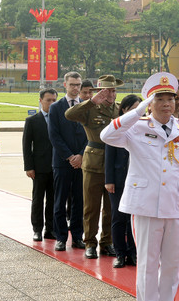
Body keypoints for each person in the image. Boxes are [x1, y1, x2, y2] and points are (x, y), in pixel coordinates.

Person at [100, 72, 179, 301]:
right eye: (160, 99)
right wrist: (139, 110)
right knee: (146, 264)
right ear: (150, 102)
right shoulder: (136, 127)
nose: (167, 104)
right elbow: (107, 134)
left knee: (170, 265)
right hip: (145, 204)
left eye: (171, 99)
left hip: (176, 204)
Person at [65, 75, 122, 259]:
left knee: (111, 208)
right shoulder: (91, 108)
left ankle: (107, 242)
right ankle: (90, 242)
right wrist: (90, 102)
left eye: (113, 90)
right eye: (107, 91)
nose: (111, 94)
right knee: (91, 206)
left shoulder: (119, 109)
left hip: (114, 164)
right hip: (93, 163)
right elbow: (69, 115)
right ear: (100, 92)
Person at [48, 72, 88, 252]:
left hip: (82, 162)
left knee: (79, 201)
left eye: (78, 84)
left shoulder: (86, 107)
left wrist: (80, 155)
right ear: (64, 85)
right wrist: (70, 157)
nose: (75, 88)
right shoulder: (56, 107)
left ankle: (78, 236)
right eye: (72, 84)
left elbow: (90, 134)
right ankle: (61, 237)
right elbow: (54, 136)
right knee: (60, 201)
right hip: (63, 162)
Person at [104, 94, 141, 268]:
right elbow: (109, 158)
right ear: (124, 110)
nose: (137, 113)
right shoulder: (116, 127)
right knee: (118, 218)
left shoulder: (143, 127)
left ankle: (132, 253)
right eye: (133, 109)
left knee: (132, 219)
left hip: (136, 182)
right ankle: (120, 253)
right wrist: (109, 180)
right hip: (118, 181)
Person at [23, 88, 58, 241]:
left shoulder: (60, 120)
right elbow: (26, 146)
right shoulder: (32, 121)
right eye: (48, 100)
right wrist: (28, 167)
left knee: (53, 200)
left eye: (54, 100)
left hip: (56, 167)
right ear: (40, 101)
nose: (51, 103)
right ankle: (37, 229)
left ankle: (50, 229)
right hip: (39, 167)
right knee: (38, 199)